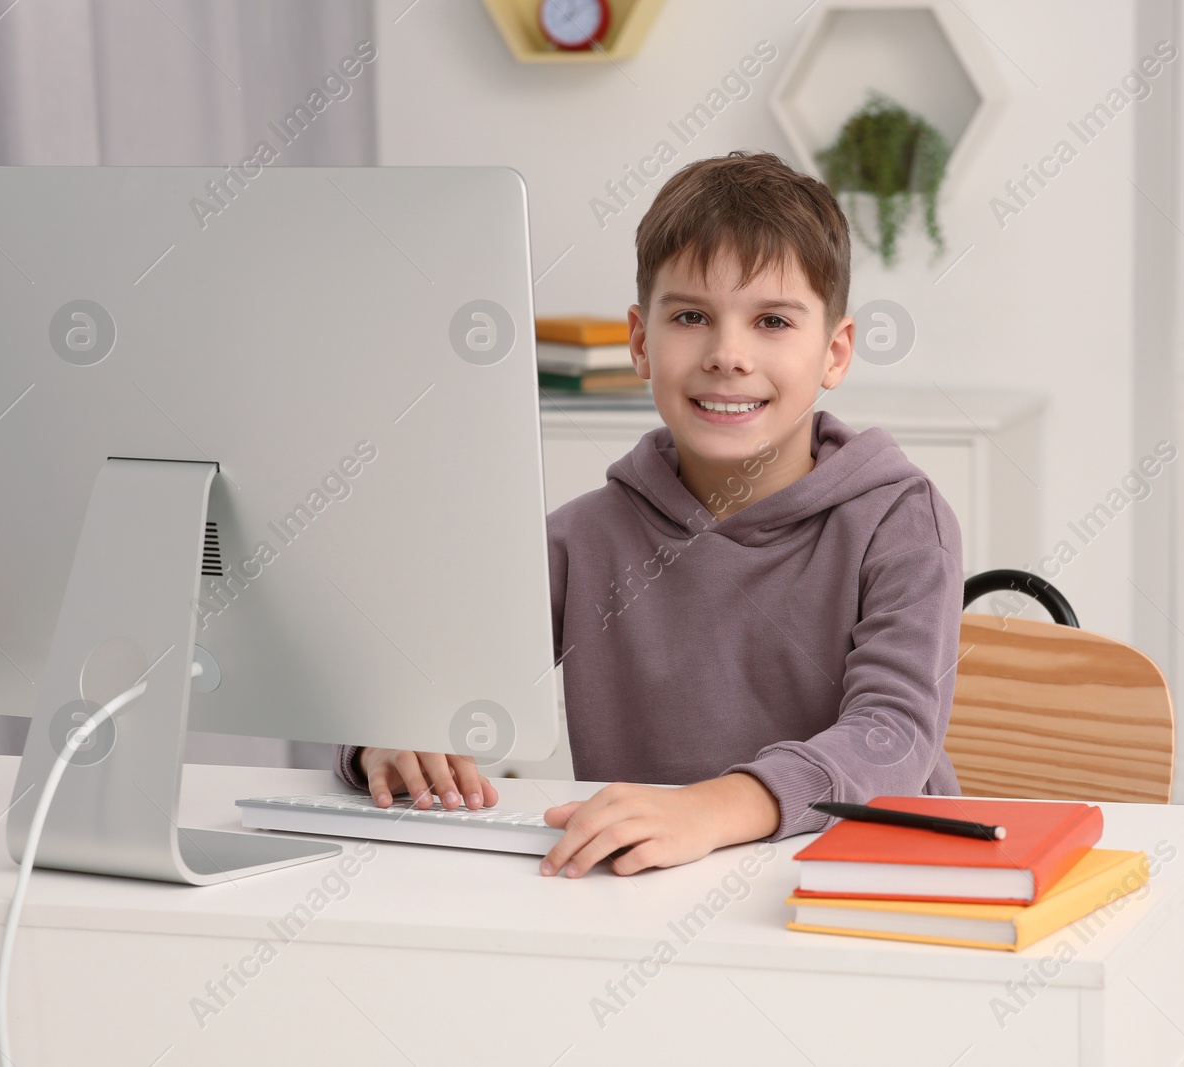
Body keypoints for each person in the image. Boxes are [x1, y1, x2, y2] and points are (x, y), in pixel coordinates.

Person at [333, 150, 963, 878]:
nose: (728, 354)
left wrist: (713, 806)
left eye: (772, 320)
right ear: (640, 341)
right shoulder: (581, 539)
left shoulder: (900, 521)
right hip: (645, 897)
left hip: (864, 889)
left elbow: (890, 737)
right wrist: (380, 740)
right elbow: (409, 673)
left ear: (836, 351)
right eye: (692, 316)